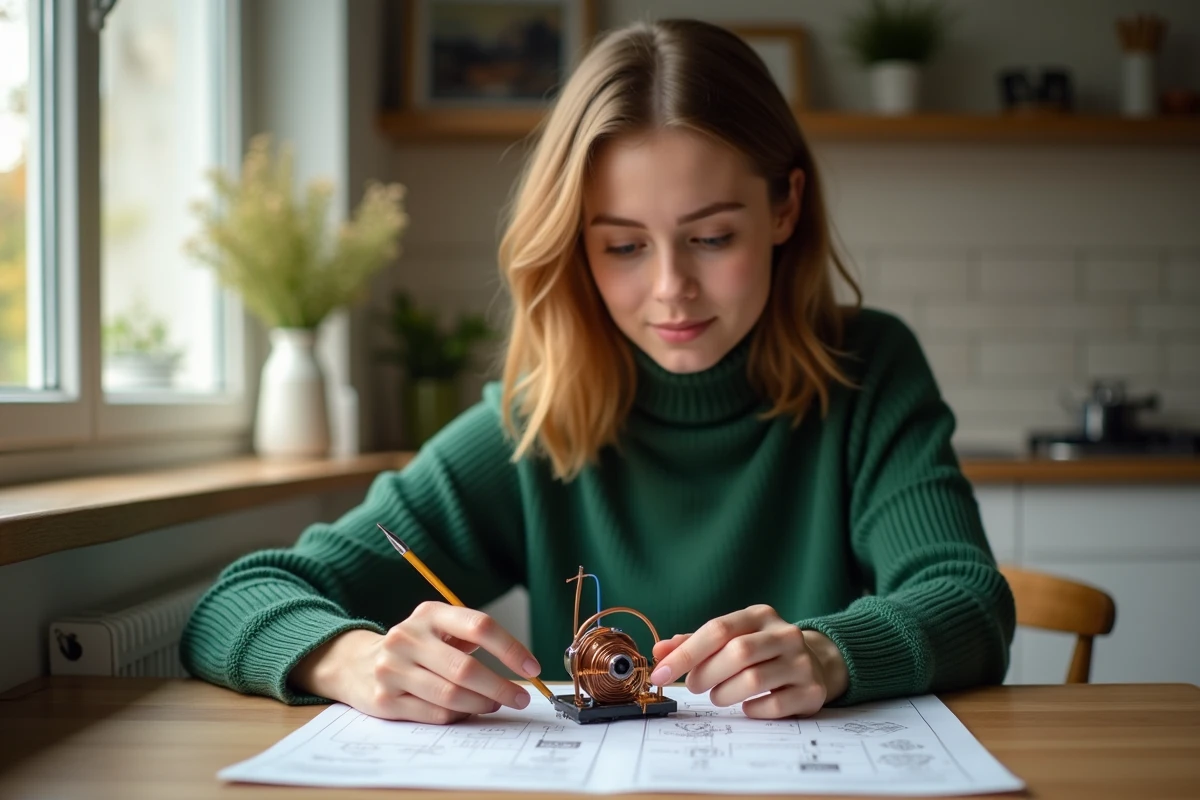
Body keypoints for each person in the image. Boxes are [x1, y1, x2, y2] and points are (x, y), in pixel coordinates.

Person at [180, 18, 1014, 724]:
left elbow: (969, 600)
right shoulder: (534, 423)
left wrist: (831, 653)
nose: (670, 289)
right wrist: (352, 660)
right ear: (576, 243)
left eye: (713, 236)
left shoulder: (869, 372)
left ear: (785, 206)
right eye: (621, 246)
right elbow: (239, 599)